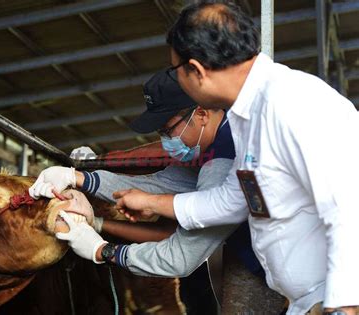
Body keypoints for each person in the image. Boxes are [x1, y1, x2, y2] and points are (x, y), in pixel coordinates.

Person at [110, 2, 359, 315]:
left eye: (176, 70)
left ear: (196, 71)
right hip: (308, 301)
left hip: (337, 302)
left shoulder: (292, 103)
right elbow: (231, 199)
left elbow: (349, 208)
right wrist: (150, 202)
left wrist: (345, 306)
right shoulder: (247, 117)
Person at [30, 70, 262, 313]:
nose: (165, 141)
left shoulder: (224, 162)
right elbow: (159, 184)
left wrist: (103, 250)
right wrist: (78, 177)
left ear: (202, 114)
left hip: (278, 269)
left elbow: (180, 258)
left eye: (167, 130)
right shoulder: (215, 142)